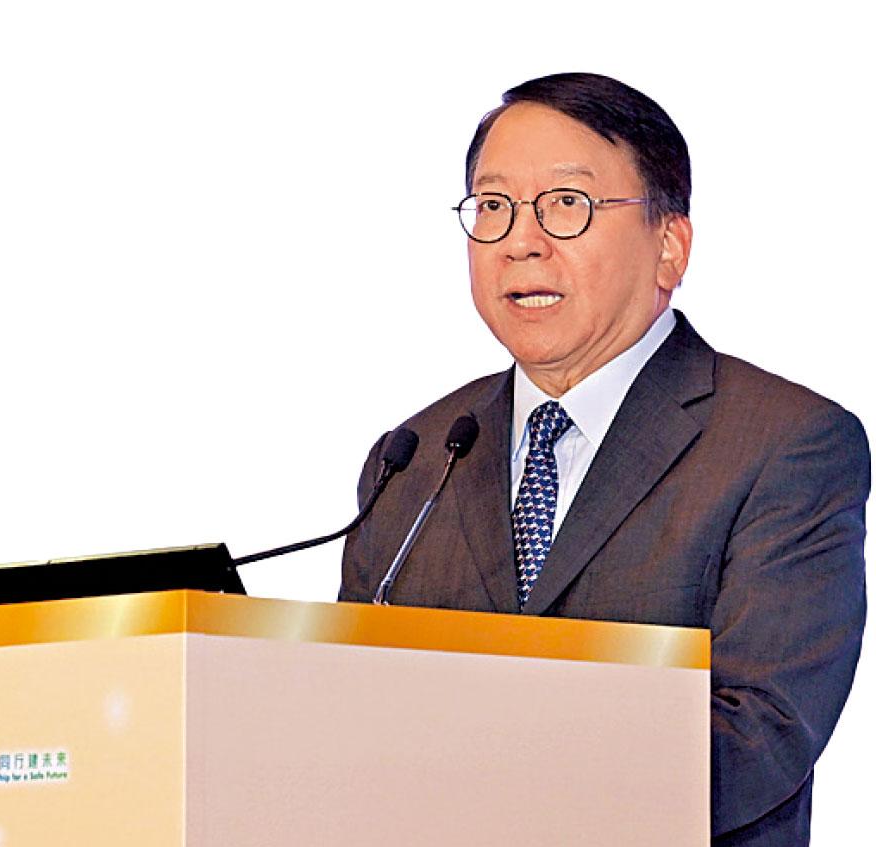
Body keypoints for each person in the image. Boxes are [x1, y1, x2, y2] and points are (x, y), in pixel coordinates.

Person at [339, 72, 868, 847]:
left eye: (566, 203)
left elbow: (760, 734)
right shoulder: (417, 458)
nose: (520, 241)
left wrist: (491, 784)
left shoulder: (782, 444)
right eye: (493, 206)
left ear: (669, 245)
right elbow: (346, 709)